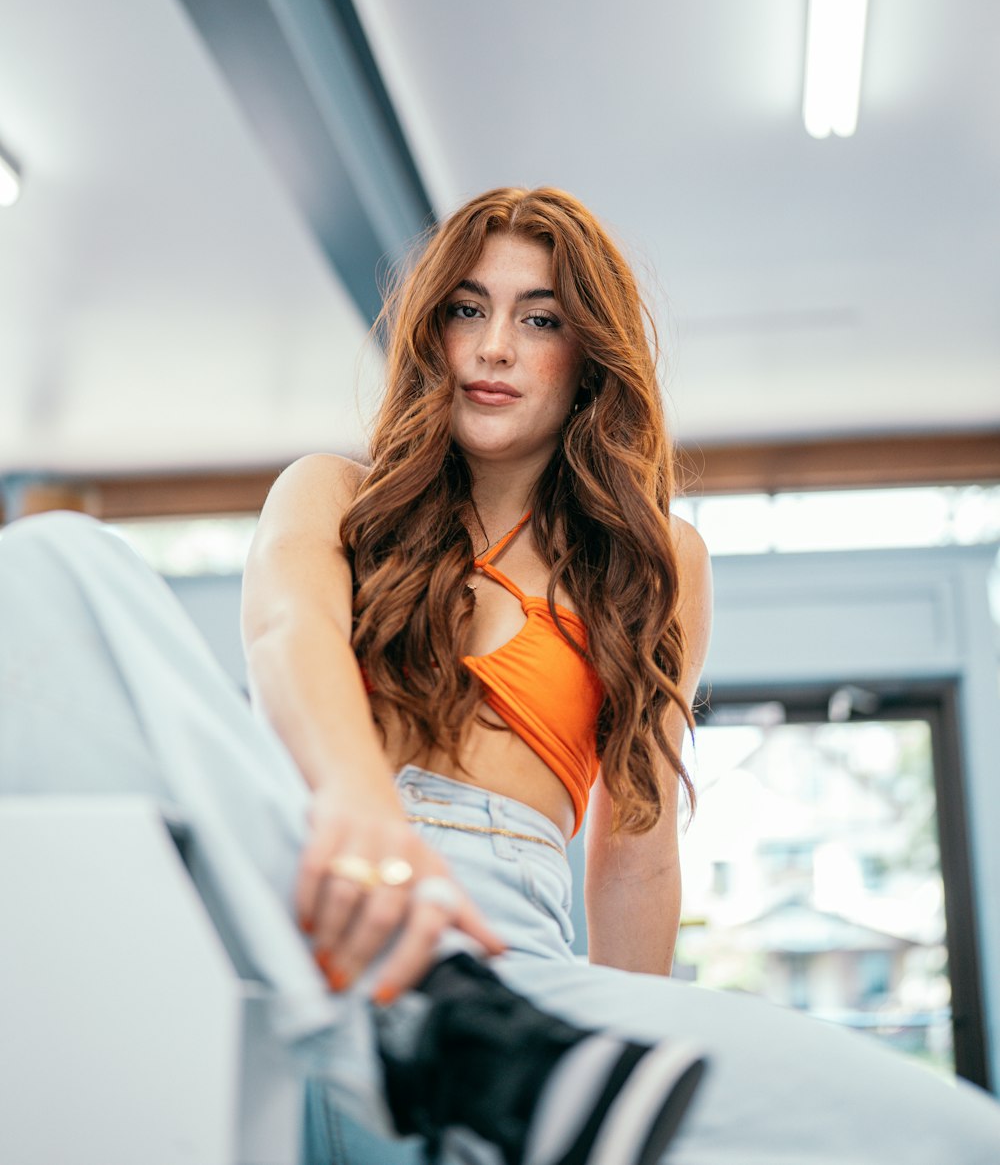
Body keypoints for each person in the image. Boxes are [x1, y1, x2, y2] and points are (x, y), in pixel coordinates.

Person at [2, 186, 999, 1165]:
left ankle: (467, 1042)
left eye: (539, 318)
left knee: (948, 1134)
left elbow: (635, 845)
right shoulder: (330, 493)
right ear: (430, 333)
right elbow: (284, 626)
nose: (492, 347)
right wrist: (362, 807)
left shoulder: (658, 559)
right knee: (49, 561)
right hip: (299, 899)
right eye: (467, 310)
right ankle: (415, 1019)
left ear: (588, 356)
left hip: (507, 973)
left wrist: (614, 1060)